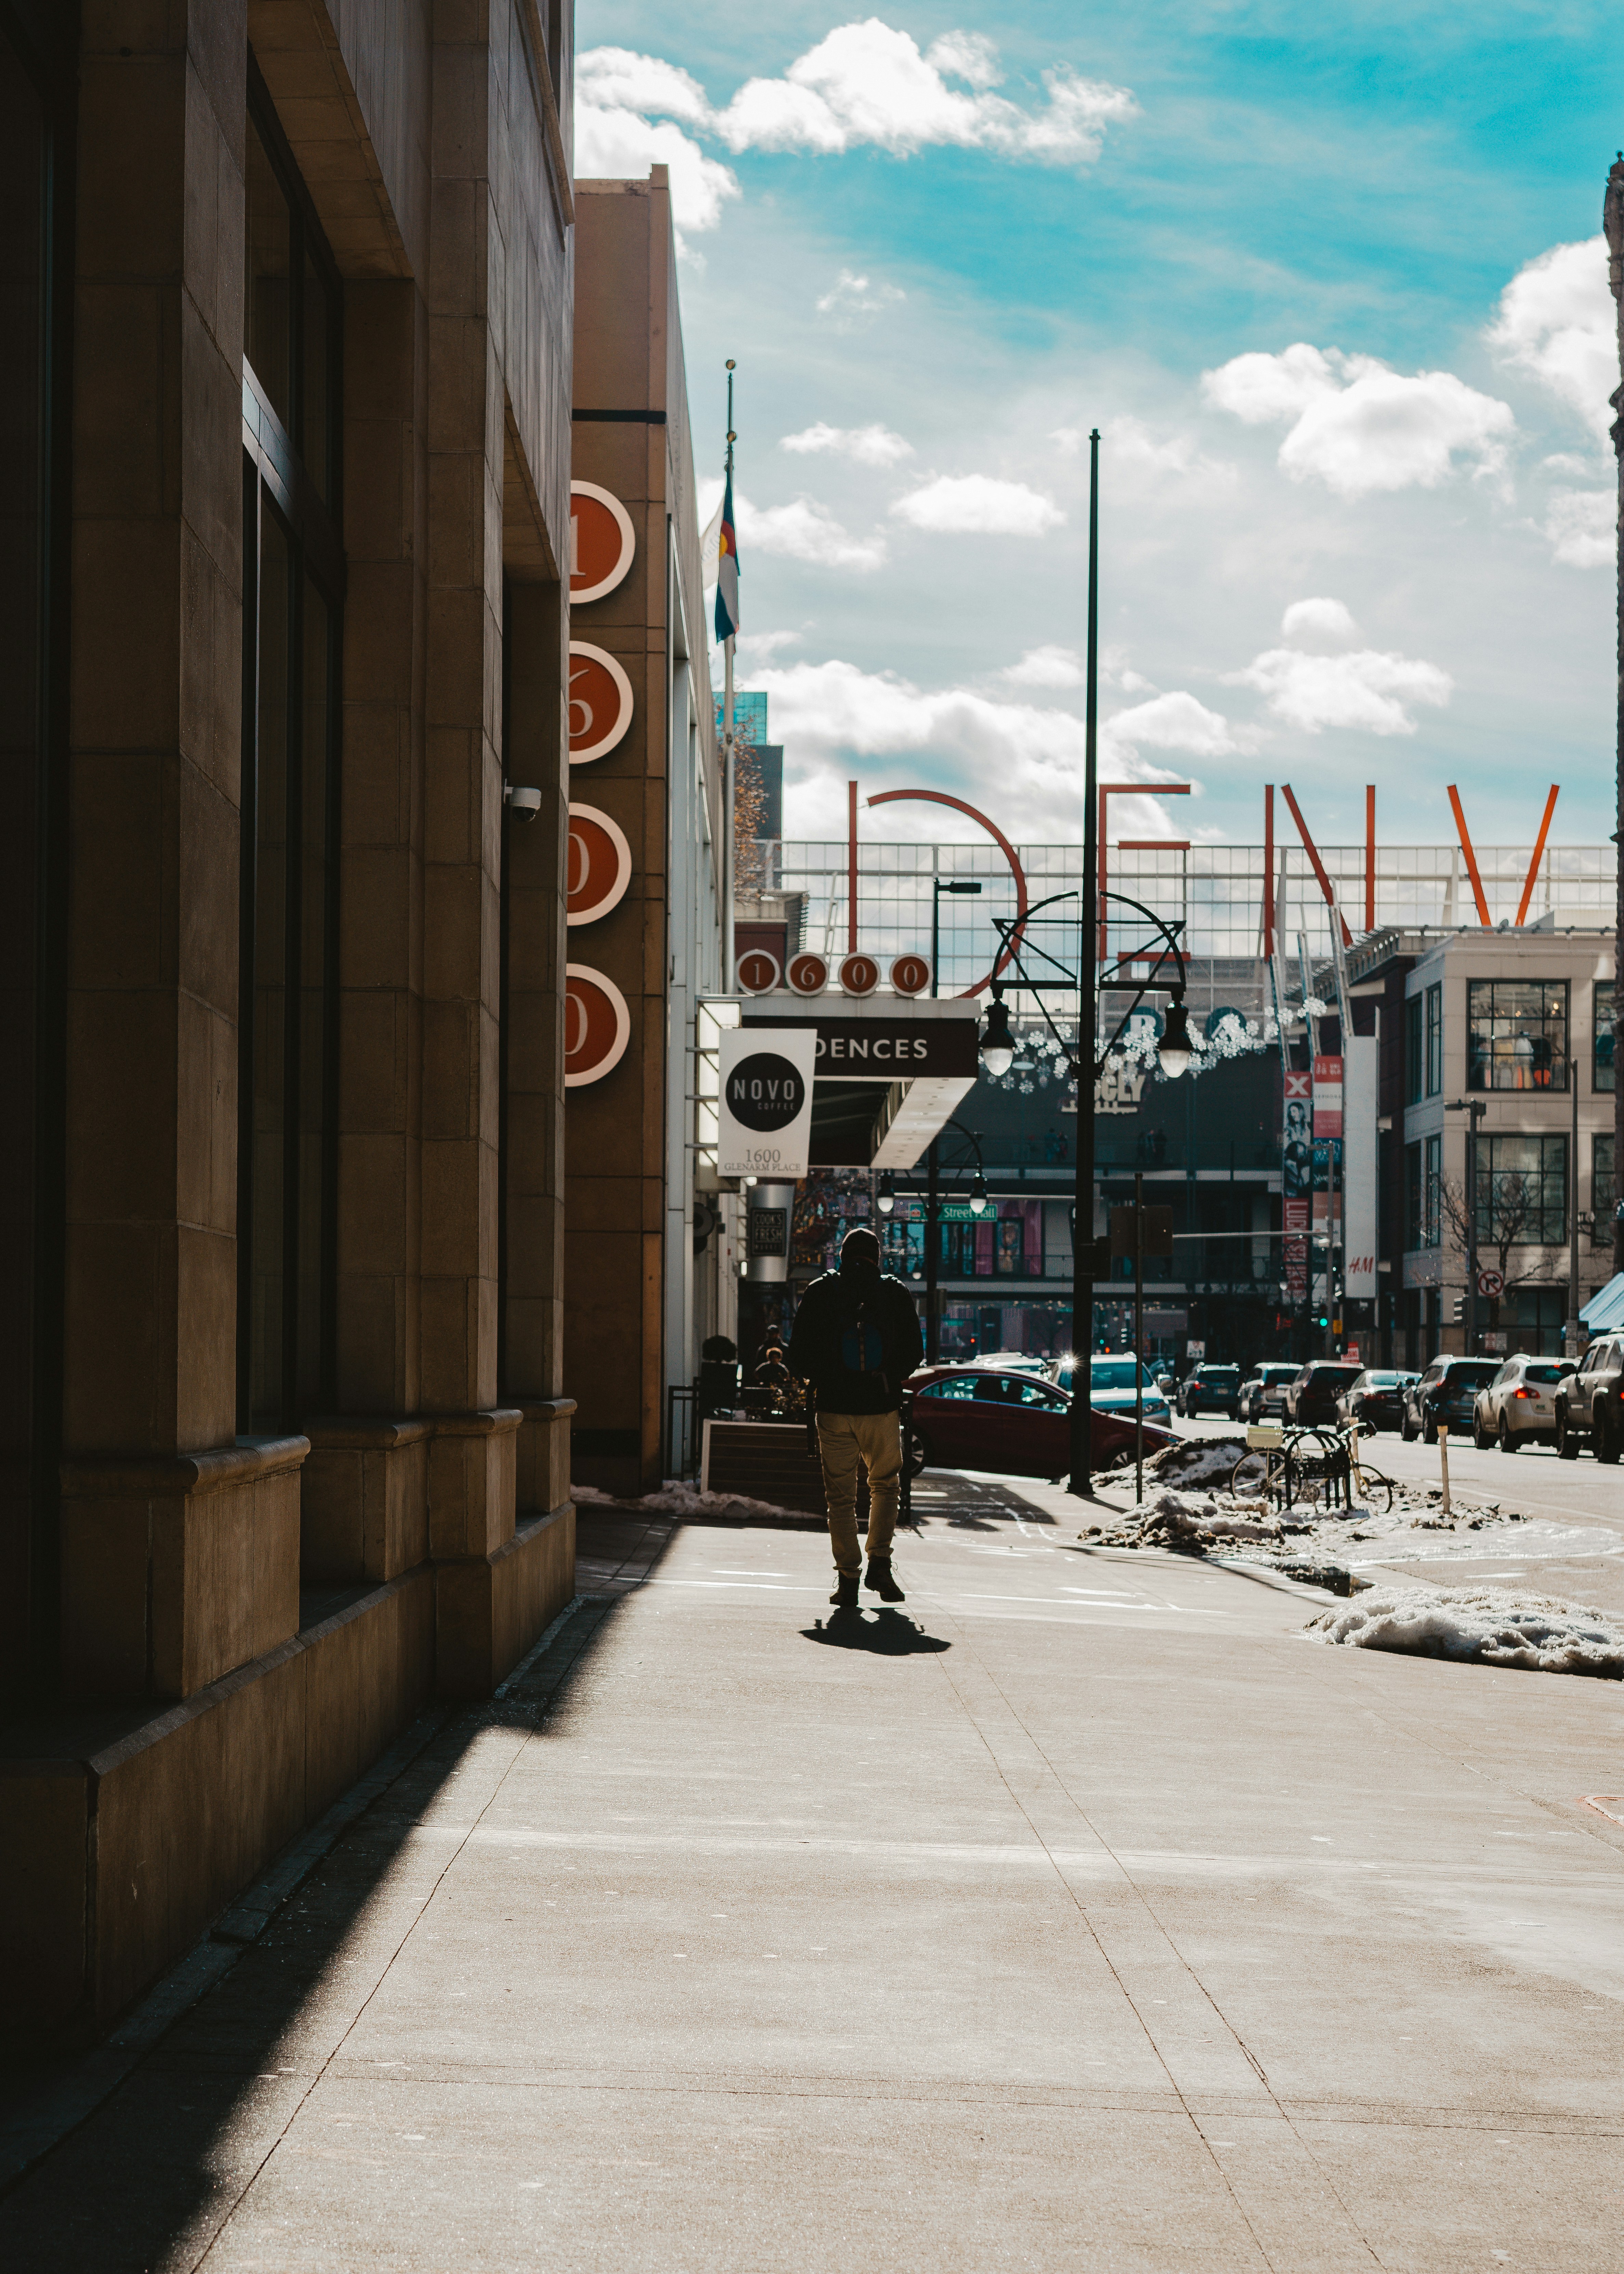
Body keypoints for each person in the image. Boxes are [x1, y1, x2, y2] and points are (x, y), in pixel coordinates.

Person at [788, 1226, 924, 1609]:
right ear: (876, 1257)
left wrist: (827, 1376)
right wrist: (885, 1376)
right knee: (885, 1484)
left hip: (832, 1409)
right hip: (880, 1407)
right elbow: (914, 1351)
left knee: (840, 1497)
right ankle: (879, 1561)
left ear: (842, 1256)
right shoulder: (893, 1292)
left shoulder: (820, 1291)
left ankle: (847, 1577)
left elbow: (797, 1355)